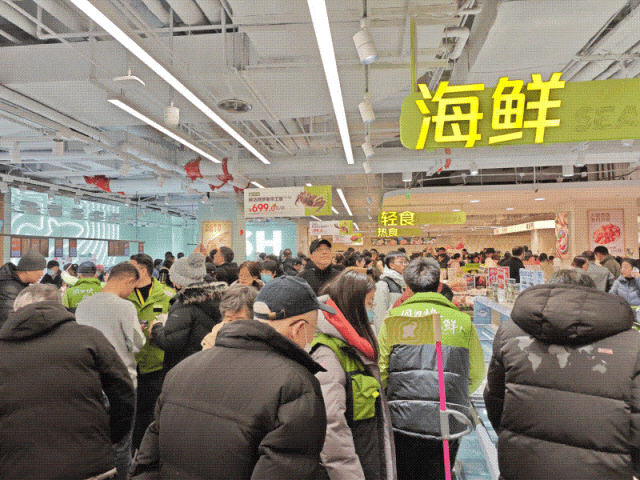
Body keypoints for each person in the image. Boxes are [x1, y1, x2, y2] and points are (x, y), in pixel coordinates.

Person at [131, 276, 329, 479]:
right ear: (299, 328)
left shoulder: (182, 369)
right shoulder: (295, 385)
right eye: (313, 330)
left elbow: (147, 460)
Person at [484, 269, 640, 479]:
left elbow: (495, 401)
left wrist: (514, 438)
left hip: (524, 465)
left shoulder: (510, 333)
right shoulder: (632, 346)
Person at [0, 284, 135, 480]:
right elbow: (123, 391)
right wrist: (111, 435)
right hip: (89, 462)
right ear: (59, 305)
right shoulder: (89, 337)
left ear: (15, 310)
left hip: (18, 468)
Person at [378, 257, 485, 480]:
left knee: (405, 473)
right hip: (447, 418)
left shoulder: (394, 318)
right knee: (440, 472)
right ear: (439, 286)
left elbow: (382, 369)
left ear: (407, 287)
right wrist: (453, 393)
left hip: (402, 418)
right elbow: (476, 373)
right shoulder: (462, 321)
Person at [312, 270, 397, 480]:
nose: (372, 309)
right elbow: (331, 428)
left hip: (365, 458)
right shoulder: (328, 353)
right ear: (353, 306)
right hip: (353, 467)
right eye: (368, 304)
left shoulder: (355, 347)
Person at [75, 262, 145, 480]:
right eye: (133, 288)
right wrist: (143, 332)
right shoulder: (125, 307)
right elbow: (137, 344)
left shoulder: (83, 305)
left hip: (90, 380)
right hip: (122, 382)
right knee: (122, 444)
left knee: (95, 439)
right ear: (129, 281)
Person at [149, 252, 226, 373]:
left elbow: (170, 342)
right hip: (207, 364)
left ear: (180, 282)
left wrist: (156, 328)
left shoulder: (184, 305)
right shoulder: (215, 298)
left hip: (183, 367)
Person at [128, 253, 175, 452]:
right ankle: (132, 450)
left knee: (151, 412)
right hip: (129, 362)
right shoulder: (124, 293)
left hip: (156, 362)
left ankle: (149, 451)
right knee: (130, 411)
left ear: (143, 270)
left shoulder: (168, 294)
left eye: (131, 267)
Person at [201, 284, 259, 349]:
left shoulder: (260, 341)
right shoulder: (213, 337)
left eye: (239, 320)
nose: (232, 324)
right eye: (229, 319)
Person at [0, 249, 46, 327]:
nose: (42, 274)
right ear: (29, 270)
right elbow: (10, 321)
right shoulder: (9, 288)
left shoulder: (20, 283)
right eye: (40, 270)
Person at [372, 251, 408, 333]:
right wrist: (381, 335)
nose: (404, 265)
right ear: (391, 265)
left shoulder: (406, 281)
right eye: (401, 262)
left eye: (405, 262)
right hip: (390, 330)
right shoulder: (383, 284)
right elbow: (379, 314)